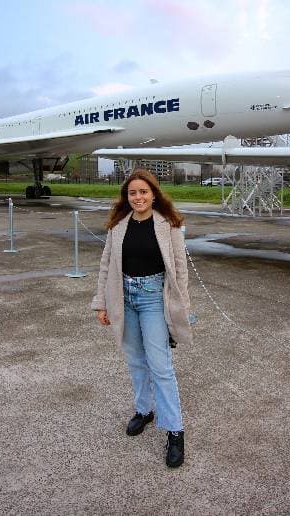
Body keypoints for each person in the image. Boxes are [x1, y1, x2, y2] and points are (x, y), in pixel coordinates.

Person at [91, 168, 193, 468]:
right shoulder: (117, 226)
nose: (138, 197)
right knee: (135, 360)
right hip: (124, 299)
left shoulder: (169, 225)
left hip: (152, 299)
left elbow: (180, 268)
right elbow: (106, 266)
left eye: (143, 192)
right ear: (127, 196)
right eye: (133, 192)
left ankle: (175, 430)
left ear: (153, 193)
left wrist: (180, 308)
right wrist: (102, 303)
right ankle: (144, 410)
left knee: (160, 366)